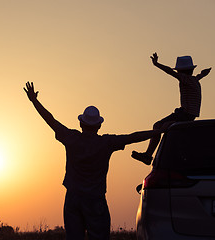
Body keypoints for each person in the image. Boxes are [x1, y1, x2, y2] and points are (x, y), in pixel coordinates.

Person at [23, 81, 166, 240]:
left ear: (81, 123)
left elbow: (50, 120)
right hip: (95, 200)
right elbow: (133, 137)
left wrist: (34, 101)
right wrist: (159, 131)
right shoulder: (106, 143)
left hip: (73, 199)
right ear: (99, 125)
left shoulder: (71, 138)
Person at [132, 53, 212, 165]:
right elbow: (198, 77)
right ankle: (149, 154)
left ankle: (148, 155)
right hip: (187, 114)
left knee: (160, 127)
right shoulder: (193, 80)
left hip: (185, 114)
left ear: (181, 71)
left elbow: (170, 71)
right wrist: (203, 74)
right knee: (161, 126)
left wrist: (157, 64)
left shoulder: (184, 78)